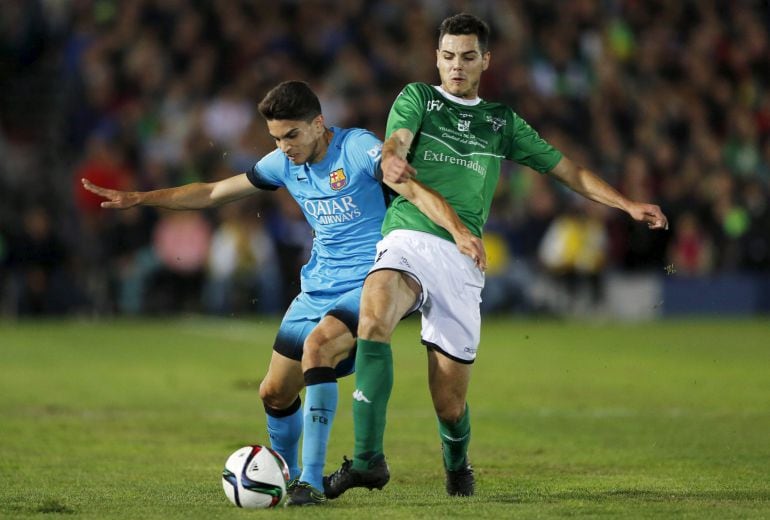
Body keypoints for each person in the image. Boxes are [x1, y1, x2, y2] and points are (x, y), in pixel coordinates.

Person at [82, 80, 485, 506]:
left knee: (318, 349)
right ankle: (283, 472)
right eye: (276, 138)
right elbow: (213, 192)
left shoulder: (359, 149)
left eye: (292, 135)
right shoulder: (282, 163)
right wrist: (142, 198)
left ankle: (309, 482)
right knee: (273, 392)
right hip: (316, 289)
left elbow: (413, 189)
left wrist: (458, 230)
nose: (285, 147)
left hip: (373, 280)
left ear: (319, 124)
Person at [324, 13, 669, 499]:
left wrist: (627, 203)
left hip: (462, 259)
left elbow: (566, 169)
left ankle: (457, 461)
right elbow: (397, 142)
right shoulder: (417, 98)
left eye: (467, 57)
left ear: (486, 60)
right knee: (374, 315)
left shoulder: (500, 122)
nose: (456, 66)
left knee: (448, 403)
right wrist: (393, 155)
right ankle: (366, 461)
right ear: (436, 58)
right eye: (447, 57)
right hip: (408, 236)